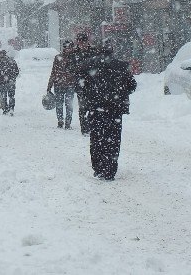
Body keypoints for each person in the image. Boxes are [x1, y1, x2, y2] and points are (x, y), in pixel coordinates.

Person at [78, 40, 137, 181]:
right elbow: (132, 85)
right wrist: (119, 93)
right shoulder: (122, 66)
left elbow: (80, 85)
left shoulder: (88, 65)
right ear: (112, 51)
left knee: (97, 138)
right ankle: (110, 169)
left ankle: (98, 168)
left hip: (96, 109)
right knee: (113, 140)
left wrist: (89, 96)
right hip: (115, 110)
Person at [46, 40, 77, 129]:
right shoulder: (58, 58)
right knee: (59, 104)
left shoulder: (74, 58)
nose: (67, 49)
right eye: (66, 47)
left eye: (69, 47)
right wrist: (49, 85)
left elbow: (77, 72)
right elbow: (53, 71)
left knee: (69, 104)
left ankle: (68, 122)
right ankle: (60, 120)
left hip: (70, 84)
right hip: (59, 84)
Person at [71, 33, 97, 135]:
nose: (81, 44)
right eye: (79, 42)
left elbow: (96, 66)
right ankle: (85, 128)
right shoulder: (75, 53)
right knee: (82, 107)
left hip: (92, 84)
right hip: (80, 84)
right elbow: (71, 67)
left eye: (83, 42)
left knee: (92, 106)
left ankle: (92, 126)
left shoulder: (93, 51)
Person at [0, 49, 19, 115]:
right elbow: (16, 71)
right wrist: (12, 78)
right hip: (10, 82)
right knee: (11, 96)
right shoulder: (11, 61)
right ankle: (11, 109)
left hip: (2, 82)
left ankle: (5, 109)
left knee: (3, 96)